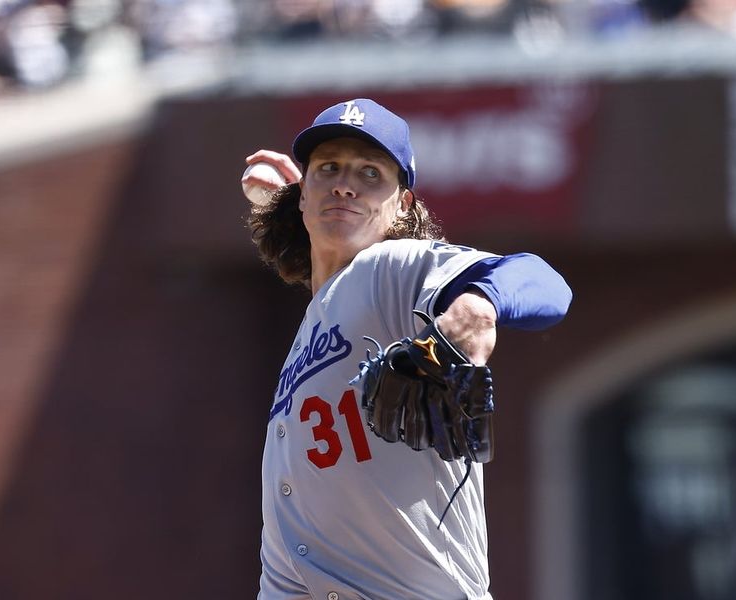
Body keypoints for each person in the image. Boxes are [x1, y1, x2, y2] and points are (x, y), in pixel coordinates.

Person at [243, 98, 572, 600]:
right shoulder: (311, 328)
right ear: (302, 195)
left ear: (403, 206)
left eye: (370, 174)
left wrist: (480, 303)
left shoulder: (390, 269)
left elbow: (544, 282)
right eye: (328, 168)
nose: (345, 184)